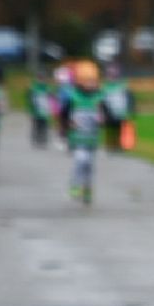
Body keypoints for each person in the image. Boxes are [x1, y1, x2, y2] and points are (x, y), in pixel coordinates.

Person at [58, 61, 106, 204]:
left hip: (92, 137)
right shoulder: (73, 97)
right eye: (88, 81)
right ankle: (75, 184)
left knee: (90, 164)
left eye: (93, 81)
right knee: (81, 160)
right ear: (80, 82)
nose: (91, 84)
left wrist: (103, 118)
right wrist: (66, 126)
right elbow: (63, 114)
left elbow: (107, 115)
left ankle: (87, 190)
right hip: (77, 137)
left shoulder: (99, 98)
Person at [100, 62, 136, 151]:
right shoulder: (104, 87)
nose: (111, 77)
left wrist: (131, 109)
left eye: (113, 75)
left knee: (119, 128)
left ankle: (119, 145)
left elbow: (129, 98)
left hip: (120, 112)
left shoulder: (123, 86)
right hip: (108, 111)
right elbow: (101, 100)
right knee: (110, 129)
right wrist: (101, 112)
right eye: (110, 74)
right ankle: (110, 144)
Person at [26, 73, 53, 148]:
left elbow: (51, 99)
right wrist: (31, 109)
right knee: (36, 125)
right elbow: (30, 100)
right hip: (36, 111)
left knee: (44, 125)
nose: (42, 81)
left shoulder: (48, 89)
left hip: (45, 110)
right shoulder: (33, 88)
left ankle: (43, 139)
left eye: (43, 79)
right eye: (40, 79)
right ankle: (36, 139)